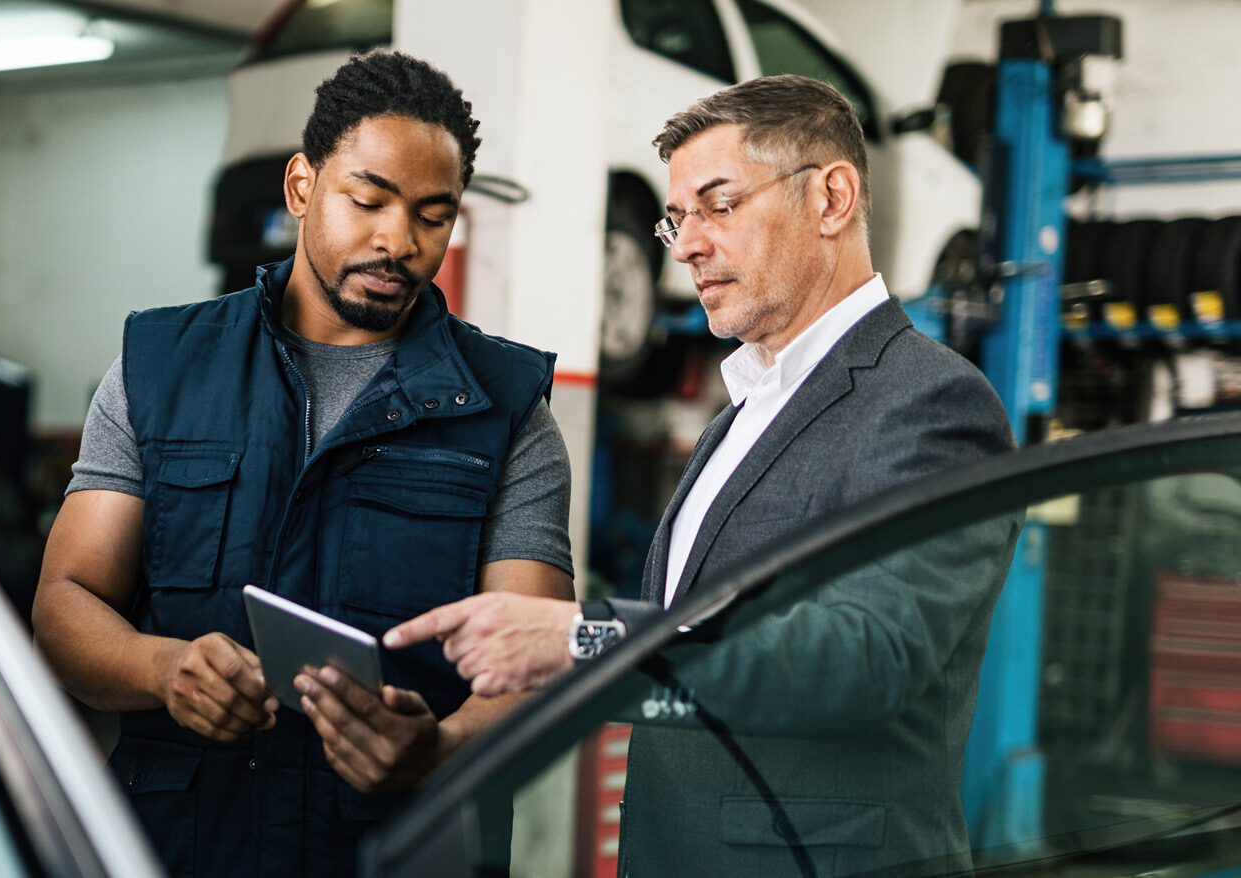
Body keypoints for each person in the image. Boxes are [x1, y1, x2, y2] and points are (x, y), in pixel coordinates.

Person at [386, 74, 1017, 876]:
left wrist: (584, 640)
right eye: (676, 218)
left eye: (720, 205)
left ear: (831, 198)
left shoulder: (931, 403)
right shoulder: (742, 414)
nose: (685, 245)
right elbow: (700, 669)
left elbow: (867, 658)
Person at [31, 49, 575, 878]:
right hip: (181, 846)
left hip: (397, 852)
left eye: (434, 214)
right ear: (300, 188)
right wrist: (163, 667)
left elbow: (534, 662)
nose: (398, 239)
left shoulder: (506, 411)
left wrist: (442, 747)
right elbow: (66, 603)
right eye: (369, 200)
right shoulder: (160, 367)